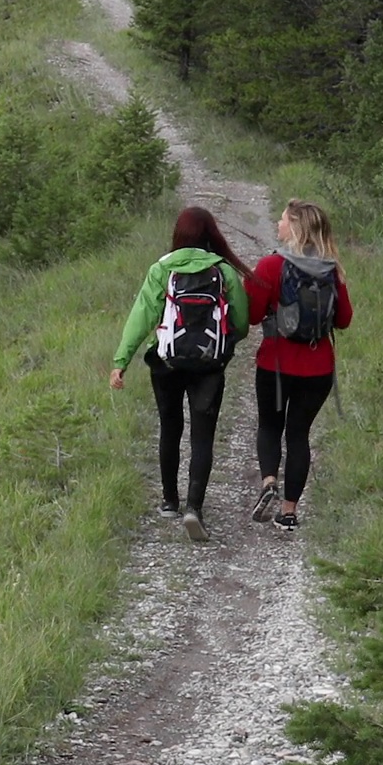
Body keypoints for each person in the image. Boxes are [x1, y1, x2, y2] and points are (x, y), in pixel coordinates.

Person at [110, 206, 251, 543]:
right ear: (210, 235)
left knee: (170, 427)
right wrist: (223, 344)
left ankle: (169, 501)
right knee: (202, 436)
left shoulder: (161, 269)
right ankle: (194, 508)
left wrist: (121, 361)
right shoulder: (224, 272)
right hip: (209, 367)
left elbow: (141, 317)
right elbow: (243, 324)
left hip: (167, 364)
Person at [245, 198, 353, 532]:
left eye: (282, 220)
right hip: (318, 367)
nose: (278, 225)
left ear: (295, 227)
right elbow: (345, 320)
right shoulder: (331, 269)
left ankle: (267, 483)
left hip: (275, 364)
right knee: (299, 435)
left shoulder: (270, 266)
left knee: (269, 426)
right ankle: (289, 512)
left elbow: (250, 316)